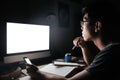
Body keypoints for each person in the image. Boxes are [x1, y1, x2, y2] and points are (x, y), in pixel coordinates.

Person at [26, 0, 120, 80]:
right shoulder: (111, 50)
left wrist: (39, 73)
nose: (81, 26)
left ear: (97, 26)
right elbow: (93, 65)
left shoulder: (110, 53)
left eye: (84, 21)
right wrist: (83, 46)